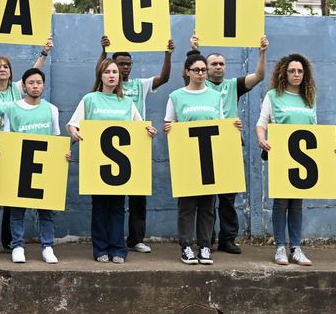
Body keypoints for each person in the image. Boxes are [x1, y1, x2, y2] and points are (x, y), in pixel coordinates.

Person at [67, 58, 157, 263]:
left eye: (114, 72)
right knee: (99, 207)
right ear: (100, 75)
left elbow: (140, 126)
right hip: (96, 163)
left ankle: (118, 249)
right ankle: (100, 249)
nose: (111, 75)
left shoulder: (127, 102)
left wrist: (149, 130)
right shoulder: (90, 99)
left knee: (117, 207)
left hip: (120, 167)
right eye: (107, 72)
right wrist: (74, 132)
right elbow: (73, 124)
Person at [188, 33, 268, 254]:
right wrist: (193, 50)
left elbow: (260, 76)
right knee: (205, 197)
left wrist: (262, 52)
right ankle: (207, 238)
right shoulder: (199, 84)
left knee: (228, 197)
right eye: (213, 64)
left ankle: (228, 239)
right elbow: (189, 70)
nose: (218, 67)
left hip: (229, 143)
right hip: (203, 144)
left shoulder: (234, 85)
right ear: (205, 68)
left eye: (221, 64)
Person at [0, 32, 52, 254]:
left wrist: (44, 52)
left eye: (5, 67)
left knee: (10, 196)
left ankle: (9, 240)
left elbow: (34, 71)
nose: (2, 69)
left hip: (14, 151)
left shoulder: (17, 89)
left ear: (10, 71)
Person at [97, 36, 175, 254]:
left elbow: (164, 78)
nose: (124, 68)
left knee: (138, 196)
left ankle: (136, 239)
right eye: (120, 64)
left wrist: (167, 54)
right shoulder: (105, 86)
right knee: (111, 198)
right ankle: (110, 240)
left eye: (128, 64)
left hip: (136, 144)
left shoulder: (140, 85)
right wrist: (103, 51)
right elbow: (99, 72)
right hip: (110, 145)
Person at [163, 53, 241, 265]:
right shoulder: (176, 96)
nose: (200, 73)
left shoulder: (215, 97)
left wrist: (234, 126)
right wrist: (169, 128)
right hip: (187, 158)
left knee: (208, 206)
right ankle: (186, 246)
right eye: (196, 70)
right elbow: (169, 123)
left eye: (203, 70)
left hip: (210, 158)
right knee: (187, 206)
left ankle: (205, 246)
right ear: (187, 72)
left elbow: (222, 125)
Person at [256, 53, 334, 266]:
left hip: (303, 159)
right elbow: (261, 123)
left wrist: (329, 146)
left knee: (297, 202)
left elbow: (314, 128)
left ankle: (296, 248)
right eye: (292, 71)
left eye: (300, 71)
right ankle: (280, 247)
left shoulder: (309, 97)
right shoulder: (273, 95)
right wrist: (262, 139)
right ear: (284, 73)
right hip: (281, 155)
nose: (296, 74)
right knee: (281, 202)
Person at [1, 67, 65, 264]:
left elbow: (55, 138)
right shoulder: (12, 109)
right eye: (31, 83)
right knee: (17, 210)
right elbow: (7, 138)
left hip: (44, 165)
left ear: (43, 86)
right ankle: (17, 246)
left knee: (46, 211)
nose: (35, 86)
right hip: (19, 164)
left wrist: (63, 155)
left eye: (38, 83)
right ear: (24, 86)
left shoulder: (51, 109)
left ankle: (47, 246)